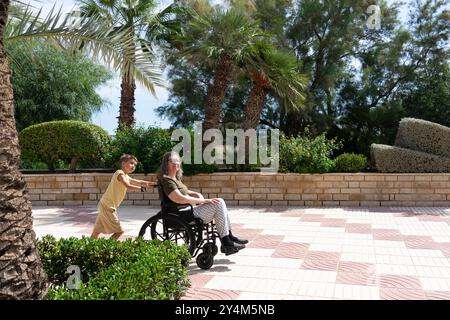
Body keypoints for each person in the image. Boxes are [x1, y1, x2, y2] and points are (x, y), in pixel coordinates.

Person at [157, 151, 248, 255]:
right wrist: (204, 201)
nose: (177, 163)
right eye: (173, 161)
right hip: (181, 214)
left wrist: (196, 193)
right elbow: (179, 198)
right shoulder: (167, 180)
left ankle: (229, 237)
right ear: (166, 163)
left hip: (187, 210)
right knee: (218, 203)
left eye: (178, 160)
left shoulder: (175, 179)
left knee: (220, 202)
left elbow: (184, 192)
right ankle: (226, 241)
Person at [91, 154, 155, 240]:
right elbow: (127, 185)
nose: (133, 166)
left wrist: (152, 184)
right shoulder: (119, 173)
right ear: (123, 163)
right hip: (108, 206)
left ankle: (88, 247)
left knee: (96, 232)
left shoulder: (126, 176)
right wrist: (142, 189)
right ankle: (107, 246)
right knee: (119, 231)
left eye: (135, 165)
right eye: (131, 163)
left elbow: (139, 182)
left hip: (105, 204)